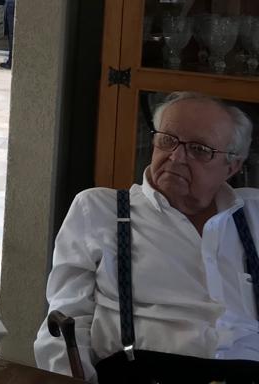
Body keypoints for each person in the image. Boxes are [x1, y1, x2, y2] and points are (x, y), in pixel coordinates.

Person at [34, 92, 259, 382]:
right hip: (140, 372)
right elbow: (66, 319)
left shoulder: (253, 214)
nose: (176, 157)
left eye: (199, 149)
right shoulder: (100, 210)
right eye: (167, 140)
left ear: (232, 166)